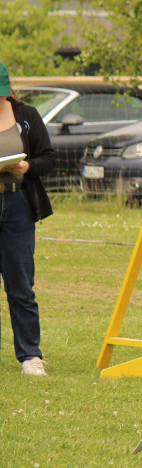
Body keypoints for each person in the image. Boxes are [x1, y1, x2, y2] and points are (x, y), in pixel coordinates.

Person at [0, 62, 55, 375]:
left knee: (21, 285)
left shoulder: (28, 116)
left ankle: (30, 357)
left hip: (19, 204)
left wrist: (27, 167)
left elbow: (48, 157)